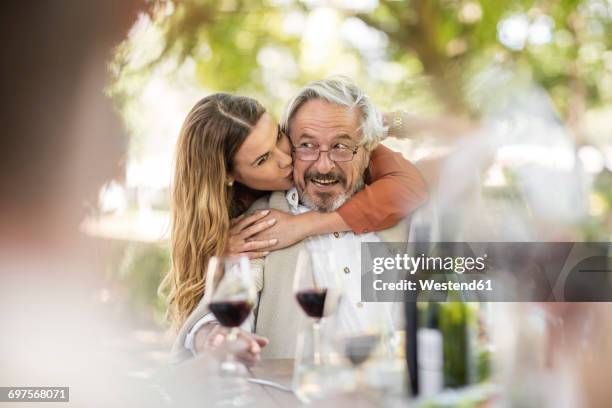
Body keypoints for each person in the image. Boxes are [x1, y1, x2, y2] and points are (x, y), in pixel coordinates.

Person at [173, 77, 416, 360]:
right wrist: (215, 335)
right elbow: (230, 303)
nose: (323, 164)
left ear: (366, 150)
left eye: (341, 146)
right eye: (306, 145)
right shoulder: (256, 226)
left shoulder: (398, 205)